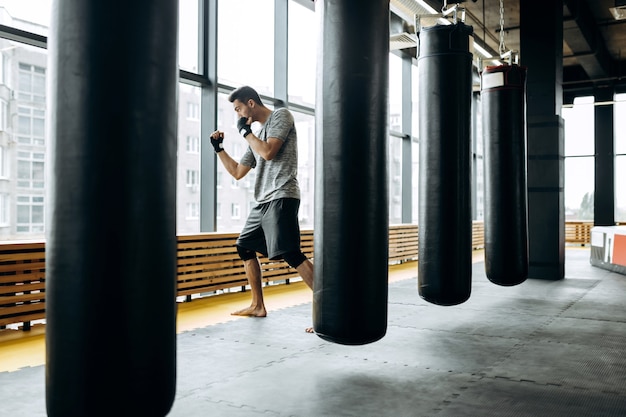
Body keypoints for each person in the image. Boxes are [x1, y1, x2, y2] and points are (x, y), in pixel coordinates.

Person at [210, 85, 314, 327]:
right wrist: (219, 150)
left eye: (238, 109)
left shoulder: (281, 116)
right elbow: (237, 172)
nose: (237, 114)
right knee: (244, 246)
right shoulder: (256, 138)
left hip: (282, 195)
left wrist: (246, 133)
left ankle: (330, 308)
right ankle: (257, 305)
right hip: (263, 201)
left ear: (251, 104)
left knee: (291, 253)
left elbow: (268, 152)